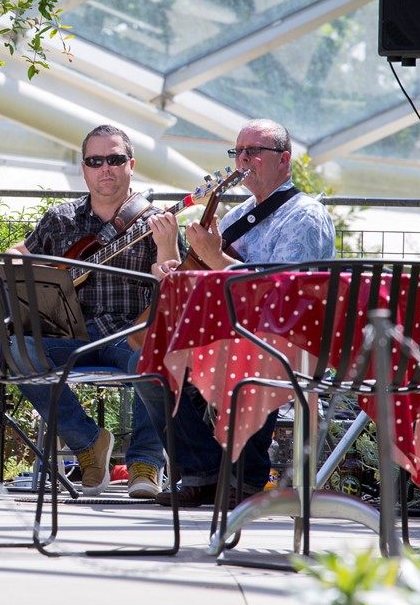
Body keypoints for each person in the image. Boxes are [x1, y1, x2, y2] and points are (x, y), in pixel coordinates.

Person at [141, 118, 336, 507]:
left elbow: (284, 298)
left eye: (253, 152)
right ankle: (204, 472)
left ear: (284, 160)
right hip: (232, 334)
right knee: (150, 365)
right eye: (238, 152)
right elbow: (211, 281)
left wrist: (216, 258)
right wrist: (177, 264)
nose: (242, 160)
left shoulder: (305, 216)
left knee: (243, 357)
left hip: (288, 342)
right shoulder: (236, 216)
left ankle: (244, 480)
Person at [8, 124, 172, 499]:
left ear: (131, 165)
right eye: (95, 161)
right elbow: (18, 253)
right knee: (16, 349)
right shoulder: (60, 218)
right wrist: (22, 268)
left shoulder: (154, 220)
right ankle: (88, 444)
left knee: (156, 354)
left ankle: (146, 461)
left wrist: (166, 247)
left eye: (114, 159)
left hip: (125, 335)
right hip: (69, 334)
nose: (106, 169)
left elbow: (173, 289)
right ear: (84, 169)